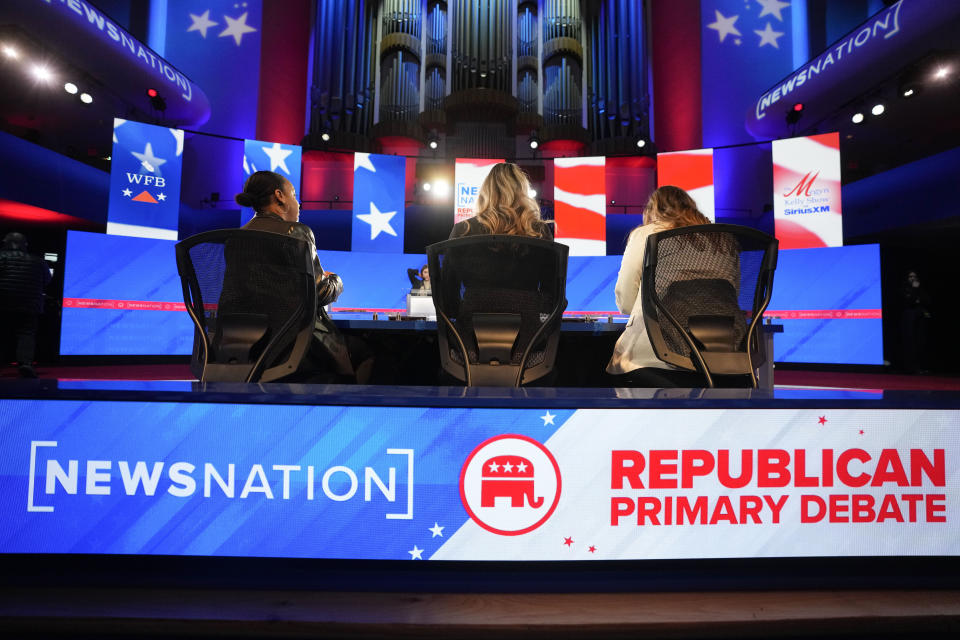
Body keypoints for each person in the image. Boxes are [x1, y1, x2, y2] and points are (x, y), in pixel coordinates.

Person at [233, 171, 372, 383]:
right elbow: (319, 293)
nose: (299, 203)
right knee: (368, 352)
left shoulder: (237, 239)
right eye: (294, 195)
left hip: (246, 345)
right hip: (294, 344)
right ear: (280, 196)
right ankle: (347, 413)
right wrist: (336, 281)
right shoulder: (296, 231)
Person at [606, 185, 741, 387]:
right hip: (722, 354)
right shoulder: (723, 240)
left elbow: (625, 302)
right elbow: (729, 296)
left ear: (652, 211)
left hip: (654, 356)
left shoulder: (647, 234)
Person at [449, 162, 553, 240]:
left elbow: (448, 269)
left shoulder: (463, 230)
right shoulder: (540, 231)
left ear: (486, 191)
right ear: (523, 192)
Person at [0, 232, 51, 378]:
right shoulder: (38, 261)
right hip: (30, 305)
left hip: (3, 302)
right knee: (26, 334)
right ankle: (25, 364)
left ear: (5, 243)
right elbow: (47, 280)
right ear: (25, 245)